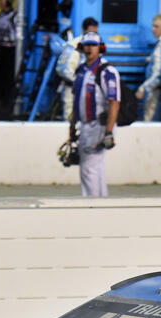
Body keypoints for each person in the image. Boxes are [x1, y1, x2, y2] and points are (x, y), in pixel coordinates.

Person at [69, 32, 119, 197]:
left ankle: (92, 205)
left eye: (93, 45)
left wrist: (109, 131)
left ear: (100, 48)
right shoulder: (81, 70)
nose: (89, 48)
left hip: (99, 125)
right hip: (85, 125)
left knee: (89, 169)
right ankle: (101, 204)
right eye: (86, 45)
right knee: (95, 168)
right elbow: (76, 100)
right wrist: (72, 129)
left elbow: (114, 101)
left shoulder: (107, 71)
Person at [56, 17, 99, 122]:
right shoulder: (73, 45)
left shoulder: (98, 46)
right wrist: (80, 81)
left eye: (95, 33)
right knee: (69, 122)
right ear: (84, 30)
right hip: (73, 91)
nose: (92, 35)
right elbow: (62, 69)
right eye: (90, 32)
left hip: (91, 93)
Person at [0, 0, 20, 113]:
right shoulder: (0, 15)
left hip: (10, 49)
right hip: (1, 48)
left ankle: (8, 103)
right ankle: (2, 101)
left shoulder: (15, 16)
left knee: (9, 77)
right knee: (0, 76)